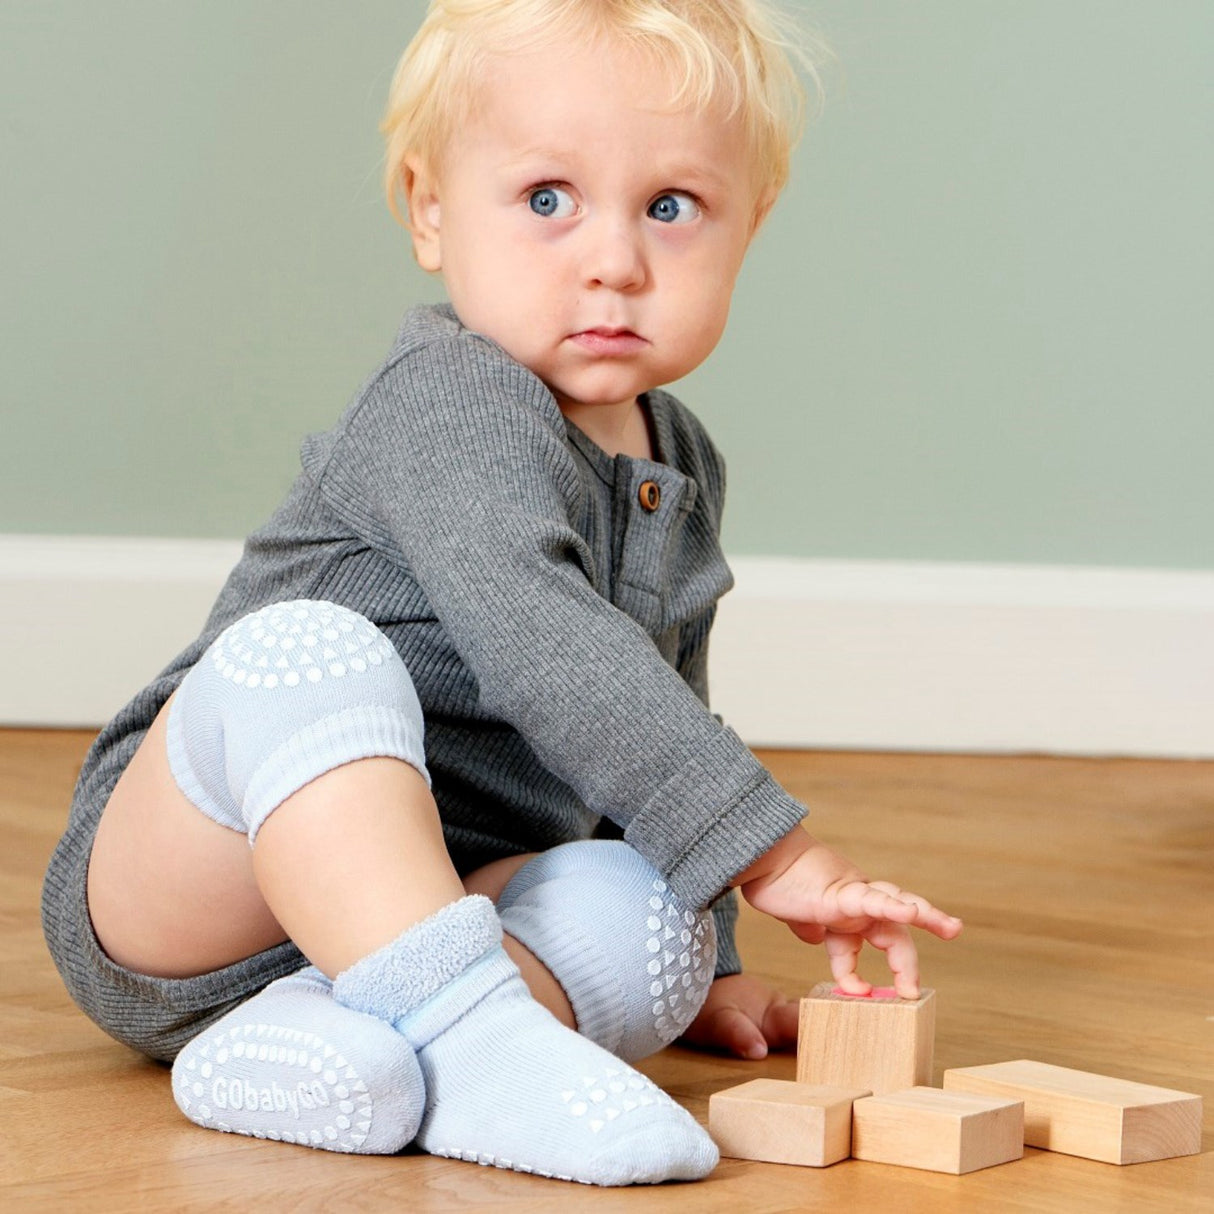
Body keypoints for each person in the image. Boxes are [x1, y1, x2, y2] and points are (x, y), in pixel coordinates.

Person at [42, 0, 962, 1187]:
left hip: (423, 910)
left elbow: (657, 694)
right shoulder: (451, 399)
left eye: (669, 208)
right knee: (309, 655)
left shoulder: (674, 455)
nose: (613, 260)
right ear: (430, 209)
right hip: (200, 894)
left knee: (650, 920)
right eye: (546, 200)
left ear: (751, 224)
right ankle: (478, 1047)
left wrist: (718, 948)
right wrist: (771, 854)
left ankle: (338, 1044)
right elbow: (547, 642)